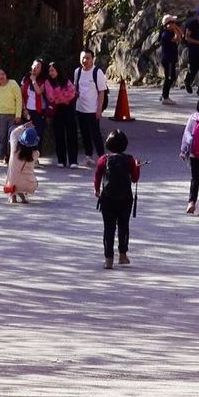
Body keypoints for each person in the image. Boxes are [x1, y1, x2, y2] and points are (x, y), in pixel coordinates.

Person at [94, 128, 140, 269]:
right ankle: (122, 255)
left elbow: (97, 176)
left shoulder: (103, 159)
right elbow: (134, 179)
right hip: (125, 198)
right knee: (123, 226)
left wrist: (96, 190)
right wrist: (137, 166)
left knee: (108, 228)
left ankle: (108, 259)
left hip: (107, 198)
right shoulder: (130, 160)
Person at [74, 51, 108, 163]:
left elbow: (101, 92)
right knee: (84, 134)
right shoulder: (77, 72)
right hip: (80, 108)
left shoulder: (97, 72)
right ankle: (88, 155)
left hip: (92, 109)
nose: (85, 60)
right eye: (83, 58)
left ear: (92, 59)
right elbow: (76, 88)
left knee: (95, 134)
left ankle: (102, 157)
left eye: (88, 58)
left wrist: (99, 109)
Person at [45, 61, 79, 168]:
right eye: (49, 71)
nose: (51, 73)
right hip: (57, 110)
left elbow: (72, 92)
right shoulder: (48, 82)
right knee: (59, 135)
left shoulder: (66, 80)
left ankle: (73, 160)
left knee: (71, 134)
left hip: (68, 109)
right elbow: (51, 96)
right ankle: (61, 160)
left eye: (53, 70)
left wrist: (61, 96)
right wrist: (63, 96)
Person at [0, 66, 23, 166]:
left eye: (3, 74)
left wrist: (18, 115)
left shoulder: (13, 84)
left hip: (13, 116)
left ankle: (10, 158)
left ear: (6, 75)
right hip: (0, 116)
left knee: (12, 137)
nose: (1, 76)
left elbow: (19, 100)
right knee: (0, 137)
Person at [5, 124, 40, 202]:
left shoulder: (14, 149)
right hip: (29, 185)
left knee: (13, 172)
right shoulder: (35, 154)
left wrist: (24, 126)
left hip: (12, 183)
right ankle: (23, 195)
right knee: (26, 178)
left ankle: (12, 195)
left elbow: (13, 133)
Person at [20, 60, 48, 154]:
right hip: (28, 110)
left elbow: (39, 91)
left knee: (38, 134)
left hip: (39, 111)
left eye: (38, 67)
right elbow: (21, 94)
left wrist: (34, 80)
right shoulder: (25, 79)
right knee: (26, 132)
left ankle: (36, 156)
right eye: (34, 66)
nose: (35, 68)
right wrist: (24, 109)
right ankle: (26, 155)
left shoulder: (43, 80)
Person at [158, 14, 182, 103]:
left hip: (171, 59)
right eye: (173, 22)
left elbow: (181, 35)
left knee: (171, 77)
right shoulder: (165, 34)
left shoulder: (170, 32)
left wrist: (175, 27)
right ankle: (165, 97)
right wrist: (174, 29)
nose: (174, 24)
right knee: (169, 78)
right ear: (167, 24)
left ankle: (164, 94)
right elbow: (178, 39)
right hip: (168, 59)